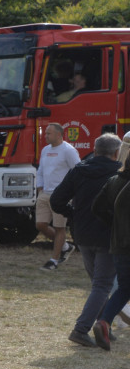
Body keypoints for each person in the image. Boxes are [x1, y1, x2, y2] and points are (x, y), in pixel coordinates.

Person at [50, 133, 122, 347]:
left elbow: (56, 200)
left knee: (97, 284)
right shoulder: (118, 172)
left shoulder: (79, 170)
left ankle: (103, 324)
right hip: (108, 234)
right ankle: (81, 329)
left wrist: (73, 214)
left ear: (95, 149)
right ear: (116, 152)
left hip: (82, 233)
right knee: (102, 285)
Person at [89, 148, 130, 351]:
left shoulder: (114, 181)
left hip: (118, 244)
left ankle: (104, 322)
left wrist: (114, 223)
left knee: (124, 288)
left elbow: (96, 207)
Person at [36, 123, 80, 270]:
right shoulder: (45, 150)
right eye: (46, 133)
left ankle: (53, 261)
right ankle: (66, 246)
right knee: (40, 224)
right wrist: (40, 189)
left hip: (61, 195)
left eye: (49, 133)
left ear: (59, 135)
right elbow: (41, 170)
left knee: (59, 227)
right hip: (45, 194)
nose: (46, 136)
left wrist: (73, 193)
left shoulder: (68, 150)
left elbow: (78, 171)